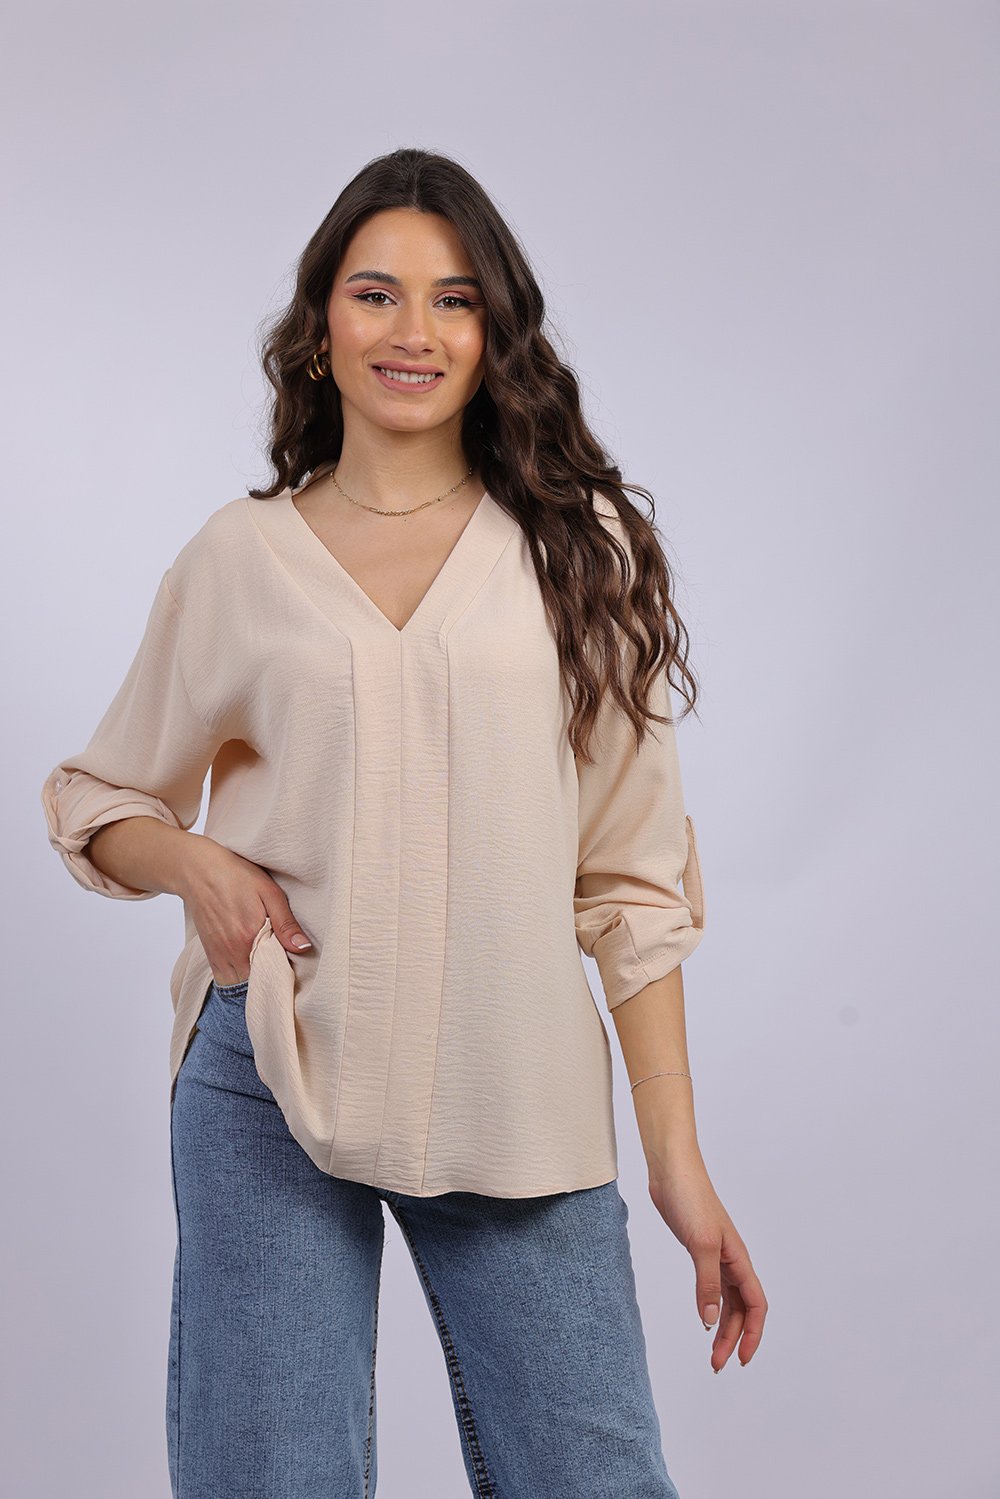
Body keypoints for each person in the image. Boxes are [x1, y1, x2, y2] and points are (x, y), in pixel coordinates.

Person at [41, 146, 767, 1499]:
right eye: (376, 294)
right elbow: (98, 796)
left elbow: (633, 885)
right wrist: (193, 863)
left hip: (514, 1084)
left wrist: (676, 1160)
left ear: (495, 334)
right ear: (322, 324)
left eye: (453, 299)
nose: (412, 332)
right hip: (270, 1070)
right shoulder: (240, 558)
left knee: (592, 1475)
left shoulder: (577, 550)